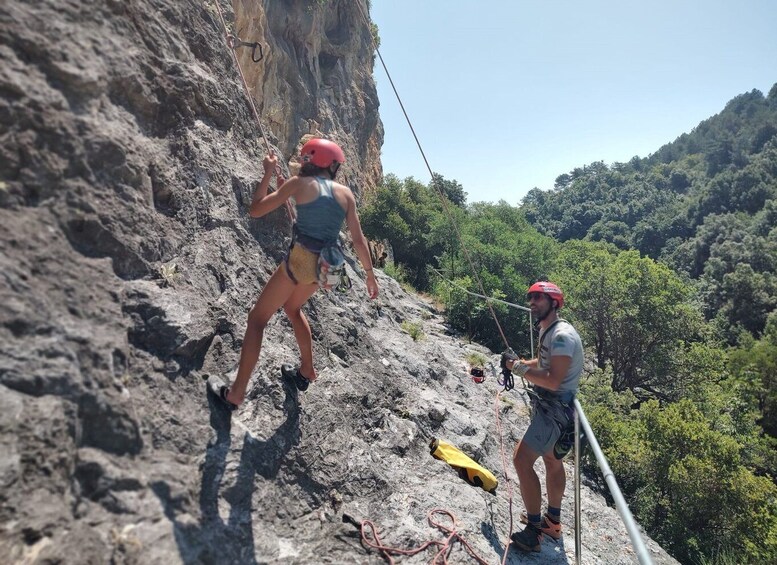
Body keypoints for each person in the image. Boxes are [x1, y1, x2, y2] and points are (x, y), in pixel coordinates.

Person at [216, 138, 379, 409]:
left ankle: (236, 393)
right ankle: (307, 370)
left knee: (257, 319)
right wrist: (369, 275)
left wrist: (268, 171)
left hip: (301, 261)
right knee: (293, 308)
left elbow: (256, 210)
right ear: (332, 165)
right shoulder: (346, 194)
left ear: (309, 160)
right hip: (327, 267)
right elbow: (359, 241)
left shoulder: (297, 183)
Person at [501, 281, 583, 552]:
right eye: (531, 297)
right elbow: (544, 364)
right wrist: (522, 364)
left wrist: (518, 370)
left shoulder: (561, 336)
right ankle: (553, 523)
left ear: (554, 302)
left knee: (521, 460)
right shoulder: (548, 329)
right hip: (560, 412)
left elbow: (553, 379)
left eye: (538, 297)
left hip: (554, 412)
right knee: (552, 462)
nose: (532, 302)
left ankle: (534, 531)